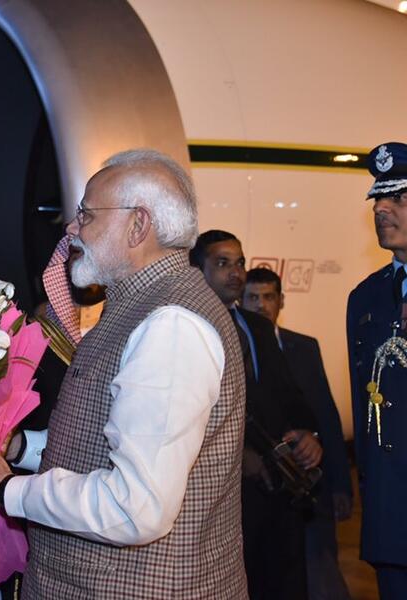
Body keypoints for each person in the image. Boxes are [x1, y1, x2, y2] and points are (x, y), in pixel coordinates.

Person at [0, 149, 249, 598]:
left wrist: (7, 490)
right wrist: (17, 447)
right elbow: (100, 446)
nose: (72, 228)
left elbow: (134, 508)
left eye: (87, 215)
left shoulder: (170, 325)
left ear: (138, 225)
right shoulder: (141, 307)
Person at [190, 230, 321, 600]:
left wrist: (308, 433)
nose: (235, 272)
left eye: (240, 263)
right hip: (221, 498)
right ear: (198, 271)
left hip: (279, 488)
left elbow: (289, 394)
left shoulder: (259, 327)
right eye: (222, 263)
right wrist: (239, 456)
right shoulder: (186, 328)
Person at [243, 267, 352, 600]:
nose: (261, 305)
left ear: (281, 301)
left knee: (321, 579)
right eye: (252, 297)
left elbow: (326, 416)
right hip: (259, 491)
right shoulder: (236, 346)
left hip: (308, 485)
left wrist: (341, 485)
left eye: (268, 297)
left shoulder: (304, 346)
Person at [347, 142, 407, 600]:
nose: (381, 209)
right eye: (378, 199)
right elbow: (361, 398)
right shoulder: (365, 296)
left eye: (399, 198)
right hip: (392, 509)